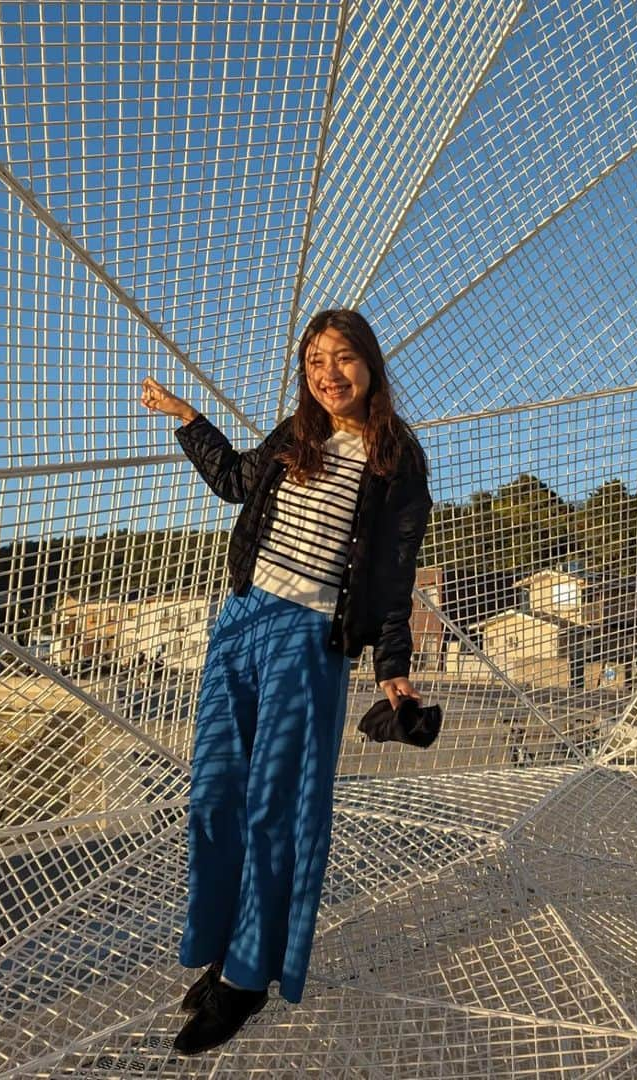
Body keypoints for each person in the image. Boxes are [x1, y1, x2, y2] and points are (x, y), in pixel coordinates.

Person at [140, 309, 431, 1056]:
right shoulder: (292, 436)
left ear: (370, 364)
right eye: (313, 362)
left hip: (309, 639)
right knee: (214, 792)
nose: (328, 374)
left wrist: (392, 667)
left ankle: (245, 981)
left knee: (277, 809)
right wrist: (189, 419)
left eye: (342, 358)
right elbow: (236, 484)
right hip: (240, 622)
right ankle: (217, 949)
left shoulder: (397, 457)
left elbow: (394, 575)